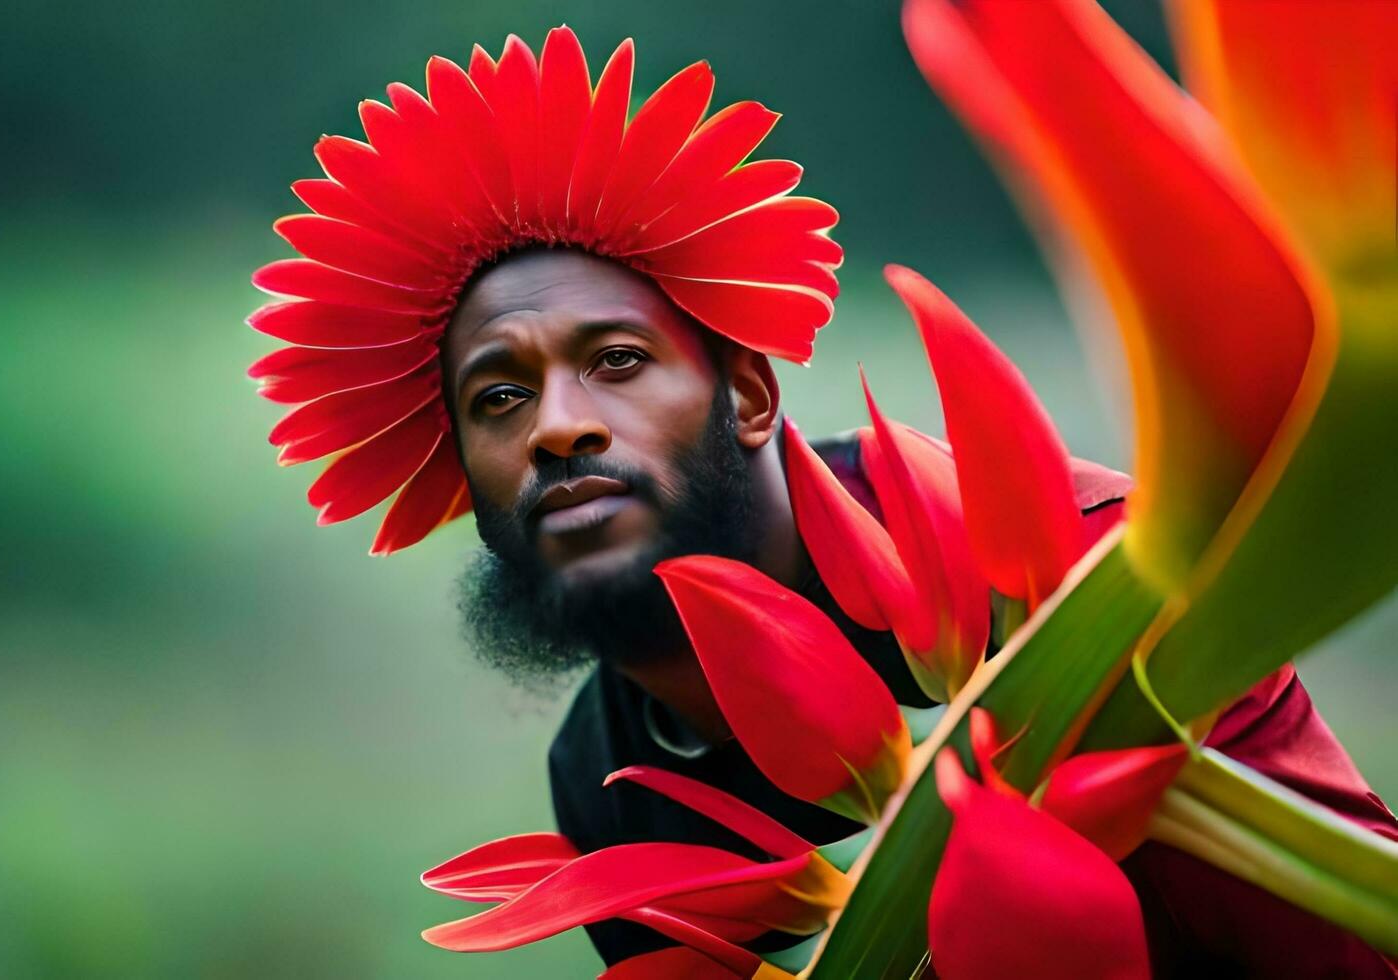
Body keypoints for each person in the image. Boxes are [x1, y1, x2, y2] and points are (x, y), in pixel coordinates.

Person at [248, 28, 1398, 977]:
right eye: (498, 395)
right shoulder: (598, 781)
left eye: (615, 361)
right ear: (470, 484)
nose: (555, 426)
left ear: (749, 396)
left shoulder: (1081, 569)